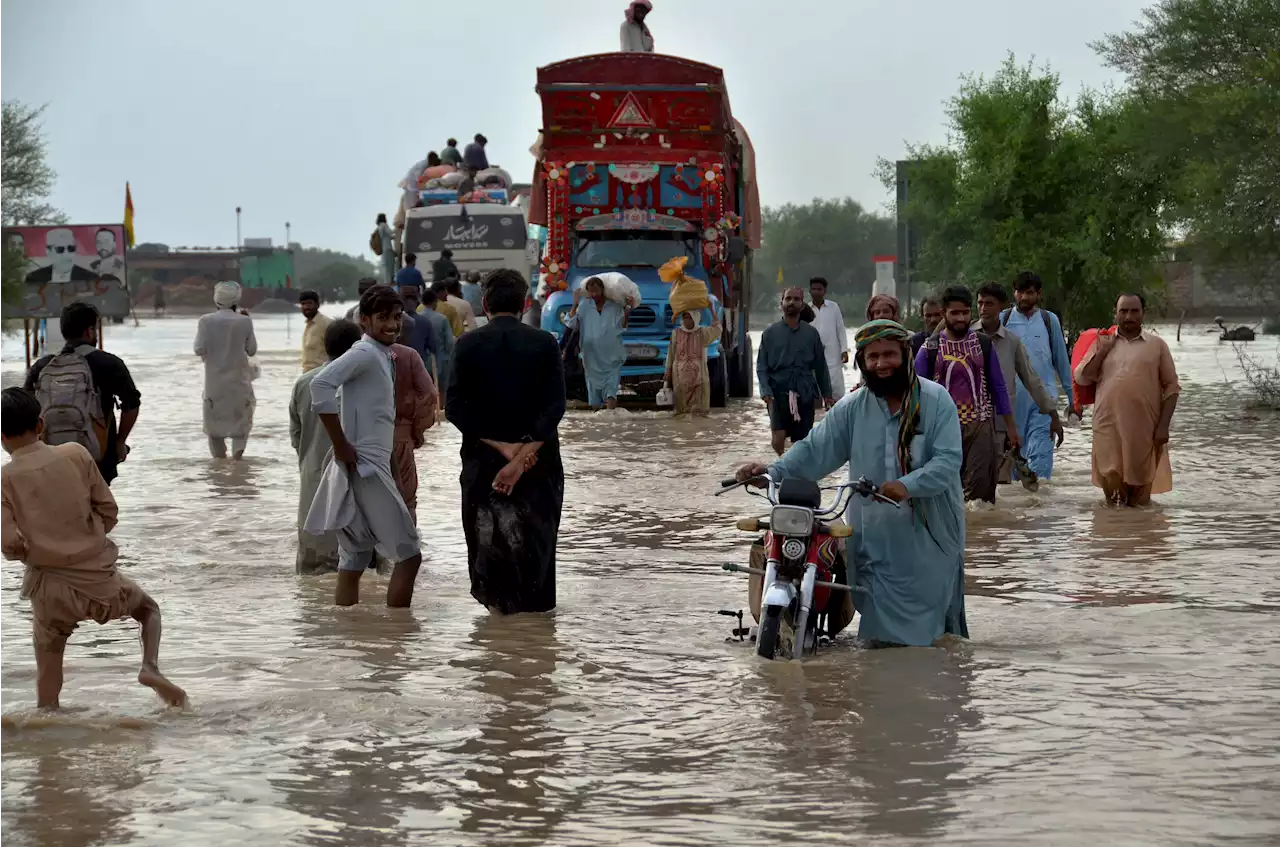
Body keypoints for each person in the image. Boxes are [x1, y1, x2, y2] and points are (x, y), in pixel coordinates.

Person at [735, 320, 968, 648]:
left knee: (927, 631)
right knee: (876, 627)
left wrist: (906, 485)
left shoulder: (936, 400)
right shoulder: (853, 408)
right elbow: (815, 451)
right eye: (872, 357)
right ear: (861, 362)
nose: (881, 364)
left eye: (889, 354)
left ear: (905, 354)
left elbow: (947, 462)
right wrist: (771, 472)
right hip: (872, 537)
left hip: (928, 536)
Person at [0, 387, 187, 709]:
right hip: (99, 579)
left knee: (49, 668)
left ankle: (49, 737)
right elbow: (108, 510)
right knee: (148, 611)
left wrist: (37, 550)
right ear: (41, 424)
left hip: (48, 587)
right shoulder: (75, 454)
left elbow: (8, 544)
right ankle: (149, 667)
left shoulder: (4, 478)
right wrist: (87, 541)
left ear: (0, 436)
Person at [446, 269, 566, 614]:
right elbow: (555, 408)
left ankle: (499, 647)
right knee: (536, 553)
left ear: (483, 303)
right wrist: (522, 456)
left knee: (490, 550)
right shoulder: (544, 343)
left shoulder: (467, 344)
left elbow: (454, 408)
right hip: (539, 465)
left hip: (484, 465)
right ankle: (535, 649)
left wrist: (505, 450)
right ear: (525, 303)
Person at [306, 285, 423, 607]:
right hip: (365, 466)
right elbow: (320, 385)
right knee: (409, 555)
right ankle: (398, 640)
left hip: (369, 463)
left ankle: (354, 638)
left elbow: (378, 422)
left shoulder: (381, 355)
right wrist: (341, 444)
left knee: (355, 557)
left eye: (397, 317)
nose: (392, 324)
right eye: (383, 317)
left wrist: (395, 473)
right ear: (365, 320)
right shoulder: (364, 353)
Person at [1074, 293, 1180, 507]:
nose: (1128, 316)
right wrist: (1103, 350)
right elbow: (1082, 378)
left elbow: (1172, 387)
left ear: (1143, 313)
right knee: (1112, 485)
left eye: (1134, 311)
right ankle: (1114, 535)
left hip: (1144, 428)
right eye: (1123, 311)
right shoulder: (1102, 342)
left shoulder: (1157, 345)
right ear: (1116, 314)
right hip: (1107, 425)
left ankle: (1138, 537)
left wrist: (1163, 427)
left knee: (1139, 496)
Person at [915, 286, 1017, 504]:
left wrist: (1011, 427)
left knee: (979, 501)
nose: (961, 318)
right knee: (944, 495)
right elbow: (914, 394)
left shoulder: (983, 344)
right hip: (940, 430)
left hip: (979, 427)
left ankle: (980, 537)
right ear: (944, 314)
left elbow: (999, 387)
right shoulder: (930, 348)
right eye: (955, 313)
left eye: (965, 312)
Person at [24, 302, 141, 487]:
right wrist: (120, 442)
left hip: (50, 461)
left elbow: (23, 409)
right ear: (89, 332)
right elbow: (132, 404)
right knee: (98, 512)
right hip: (98, 460)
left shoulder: (42, 366)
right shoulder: (109, 363)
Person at [291, 320, 363, 575]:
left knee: (314, 569)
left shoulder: (305, 383)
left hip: (314, 475)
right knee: (361, 565)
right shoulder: (365, 383)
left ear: (325, 346)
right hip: (359, 478)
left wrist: (308, 461)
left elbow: (296, 434)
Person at [975, 283, 1063, 489]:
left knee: (1003, 489)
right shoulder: (966, 336)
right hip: (971, 426)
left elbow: (1032, 380)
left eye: (989, 304)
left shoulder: (1012, 342)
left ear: (1001, 306)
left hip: (1003, 426)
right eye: (980, 303)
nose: (983, 309)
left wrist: (1053, 415)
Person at [1001, 271, 1075, 480]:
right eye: (1020, 292)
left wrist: (1072, 399)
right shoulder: (1003, 320)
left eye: (1030, 293)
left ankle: (1040, 508)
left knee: (1042, 463)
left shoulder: (1049, 320)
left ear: (1039, 294)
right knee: (1014, 463)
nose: (1024, 297)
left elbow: (1061, 361)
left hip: (1044, 403)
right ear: (1014, 293)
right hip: (1012, 404)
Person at [757, 287, 834, 455]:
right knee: (778, 437)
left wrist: (827, 394)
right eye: (788, 299)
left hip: (804, 391)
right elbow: (762, 366)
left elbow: (820, 367)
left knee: (802, 440)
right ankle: (782, 463)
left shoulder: (811, 334)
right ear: (781, 303)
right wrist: (765, 391)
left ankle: (796, 472)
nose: (792, 302)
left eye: (796, 299)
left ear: (802, 304)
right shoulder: (769, 333)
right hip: (778, 392)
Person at [194, 281, 258, 459]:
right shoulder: (245, 321)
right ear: (236, 300)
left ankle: (219, 469)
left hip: (214, 385)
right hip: (239, 384)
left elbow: (198, 349)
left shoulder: (205, 321)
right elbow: (251, 350)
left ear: (216, 300)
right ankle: (237, 463)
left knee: (214, 430)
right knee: (240, 428)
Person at [564, 276, 629, 411]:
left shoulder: (614, 307)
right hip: (591, 357)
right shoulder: (584, 306)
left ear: (602, 290)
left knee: (611, 390)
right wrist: (575, 304)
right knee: (594, 396)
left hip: (611, 355)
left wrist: (627, 312)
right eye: (591, 292)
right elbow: (571, 323)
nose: (594, 295)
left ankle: (611, 420)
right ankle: (597, 423)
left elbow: (622, 326)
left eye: (596, 291)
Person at [663, 310, 721, 415]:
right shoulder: (676, 333)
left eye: (690, 317)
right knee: (681, 412)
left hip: (699, 379)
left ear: (696, 318)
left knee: (700, 412)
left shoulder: (703, 333)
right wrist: (668, 371)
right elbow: (670, 354)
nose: (687, 320)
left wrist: (712, 310)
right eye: (685, 317)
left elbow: (717, 329)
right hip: (680, 379)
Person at [808, 277, 849, 396]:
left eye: (819, 289)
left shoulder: (833, 307)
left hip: (833, 354)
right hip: (813, 354)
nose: (816, 292)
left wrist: (844, 350)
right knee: (816, 388)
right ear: (810, 291)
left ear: (824, 291)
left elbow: (840, 329)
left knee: (836, 387)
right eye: (813, 289)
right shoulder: (806, 310)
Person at [419, 288, 455, 403]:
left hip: (421, 360)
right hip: (440, 360)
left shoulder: (417, 319)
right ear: (435, 302)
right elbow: (449, 342)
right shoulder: (441, 319)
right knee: (441, 391)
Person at [25, 228, 97, 283]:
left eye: (71, 248)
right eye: (60, 249)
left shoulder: (90, 277)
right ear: (48, 252)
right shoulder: (34, 277)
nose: (66, 254)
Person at [397, 284, 436, 374]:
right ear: (417, 301)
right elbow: (433, 347)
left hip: (400, 369)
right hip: (421, 367)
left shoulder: (393, 321)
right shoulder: (425, 322)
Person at [298, 289, 333, 373]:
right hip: (308, 373)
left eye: (309, 303)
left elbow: (337, 352)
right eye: (303, 304)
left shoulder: (326, 324)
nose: (306, 307)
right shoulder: (309, 325)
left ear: (317, 304)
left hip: (321, 374)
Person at [375, 213, 396, 285]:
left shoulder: (379, 227)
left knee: (386, 266)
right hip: (388, 248)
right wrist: (397, 227)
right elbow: (390, 232)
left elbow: (388, 237)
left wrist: (394, 237)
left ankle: (387, 282)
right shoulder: (384, 225)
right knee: (390, 266)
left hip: (384, 249)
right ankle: (390, 282)